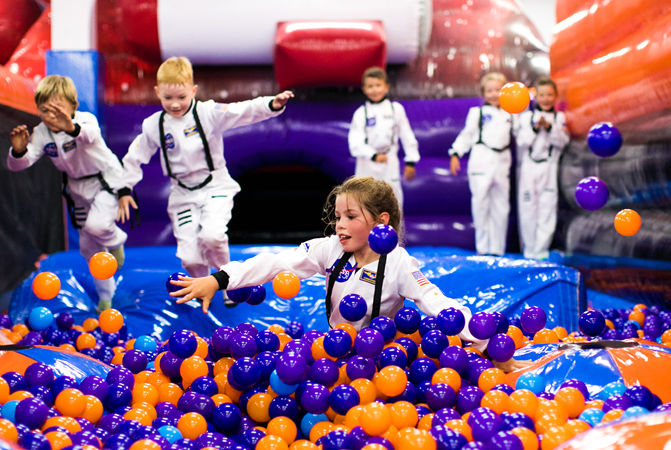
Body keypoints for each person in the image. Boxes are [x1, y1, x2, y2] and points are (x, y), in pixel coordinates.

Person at [169, 176, 526, 371]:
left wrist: (488, 345)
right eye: (338, 216)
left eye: (351, 217)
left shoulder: (398, 262)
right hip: (336, 353)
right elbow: (275, 262)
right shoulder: (330, 250)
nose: (340, 225)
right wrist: (216, 280)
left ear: (381, 222)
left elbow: (438, 304)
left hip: (384, 361)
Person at [117, 57, 293, 295]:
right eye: (168, 98)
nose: (175, 104)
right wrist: (125, 188)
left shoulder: (207, 113)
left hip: (214, 185)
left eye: (182, 97)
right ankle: (201, 289)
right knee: (190, 257)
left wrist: (271, 104)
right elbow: (134, 156)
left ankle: (229, 282)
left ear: (193, 90)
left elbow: (240, 110)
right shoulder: (154, 125)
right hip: (182, 193)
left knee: (212, 236)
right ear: (157, 92)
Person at [7, 75, 127, 312]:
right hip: (78, 190)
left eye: (58, 109)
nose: (52, 116)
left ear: (74, 106)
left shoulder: (85, 120)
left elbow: (89, 134)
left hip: (107, 181)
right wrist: (19, 151)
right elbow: (21, 163)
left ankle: (116, 242)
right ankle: (106, 297)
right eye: (45, 110)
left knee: (98, 226)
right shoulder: (42, 132)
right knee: (88, 248)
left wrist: (70, 127)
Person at [449, 73, 515, 256]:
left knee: (501, 208)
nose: (494, 94)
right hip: (481, 161)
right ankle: (483, 250)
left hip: (502, 163)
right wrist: (455, 153)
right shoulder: (476, 113)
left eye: (498, 90)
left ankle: (497, 250)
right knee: (481, 206)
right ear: (483, 93)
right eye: (490, 90)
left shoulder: (511, 113)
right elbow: (467, 135)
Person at [348, 67, 419, 209]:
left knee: (393, 205)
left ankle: (393, 232)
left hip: (389, 162)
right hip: (366, 165)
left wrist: (411, 161)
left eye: (378, 85)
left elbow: (407, 135)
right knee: (365, 206)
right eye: (370, 86)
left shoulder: (395, 109)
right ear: (364, 89)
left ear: (386, 87)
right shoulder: (361, 113)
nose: (374, 90)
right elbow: (355, 143)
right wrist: (373, 155)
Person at [516, 77, 570, 260]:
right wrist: (533, 128)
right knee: (527, 208)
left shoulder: (559, 118)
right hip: (529, 167)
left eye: (549, 95)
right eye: (542, 95)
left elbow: (563, 142)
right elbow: (521, 142)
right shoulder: (525, 117)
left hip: (549, 167)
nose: (545, 99)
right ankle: (529, 250)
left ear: (555, 97)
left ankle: (541, 251)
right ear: (535, 97)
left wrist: (549, 128)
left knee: (547, 207)